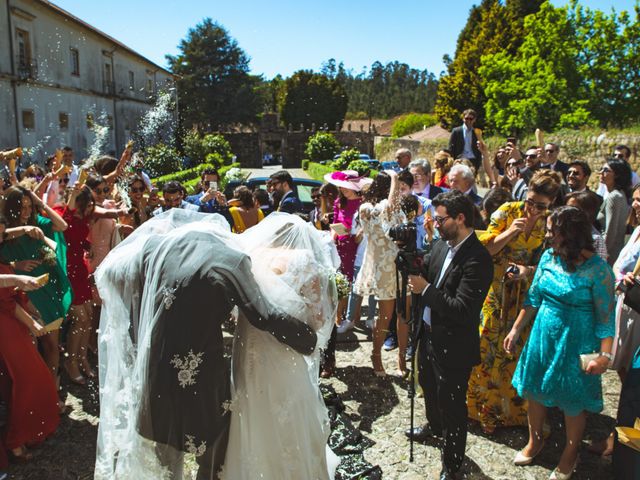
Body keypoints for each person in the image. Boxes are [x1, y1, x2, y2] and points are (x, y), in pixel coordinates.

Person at [94, 210, 318, 479]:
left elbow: (112, 273)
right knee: (214, 451)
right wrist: (308, 339)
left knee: (165, 454)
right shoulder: (231, 260)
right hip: (199, 379)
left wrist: (136, 327)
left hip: (154, 369)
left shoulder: (155, 246)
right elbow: (264, 315)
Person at [224, 213, 340, 479]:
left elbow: (236, 311)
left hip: (247, 351)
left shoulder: (250, 255)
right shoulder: (302, 260)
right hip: (282, 353)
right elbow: (319, 317)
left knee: (252, 408)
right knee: (288, 410)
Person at [505, 207, 615, 480]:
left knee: (572, 402)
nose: (547, 235)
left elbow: (606, 320)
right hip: (543, 335)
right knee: (534, 390)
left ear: (571, 235)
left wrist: (604, 356)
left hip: (576, 343)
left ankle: (570, 454)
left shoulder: (599, 271)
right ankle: (535, 440)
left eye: (553, 231)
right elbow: (533, 298)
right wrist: (516, 330)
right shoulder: (547, 257)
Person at [406, 190, 493, 480]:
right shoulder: (443, 245)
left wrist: (425, 289)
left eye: (441, 219)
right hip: (429, 335)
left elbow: (462, 309)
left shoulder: (478, 259)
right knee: (428, 385)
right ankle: (433, 426)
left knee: (453, 406)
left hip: (454, 345)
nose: (436, 224)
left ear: (460, 218)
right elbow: (426, 268)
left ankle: (452, 463)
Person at [466, 170, 561, 434]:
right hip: (496, 291)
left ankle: (512, 413)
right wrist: (509, 232)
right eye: (529, 201)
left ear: (551, 203)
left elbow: (551, 263)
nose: (532, 208)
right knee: (486, 348)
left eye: (540, 205)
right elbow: (485, 249)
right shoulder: (508, 211)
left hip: (526, 296)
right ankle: (481, 411)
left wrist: (527, 271)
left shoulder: (550, 223)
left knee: (516, 352)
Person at [0, 229, 60, 464]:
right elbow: (5, 302)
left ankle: (25, 434)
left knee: (15, 381)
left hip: (12, 323)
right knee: (31, 379)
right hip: (5, 327)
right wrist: (17, 279)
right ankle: (16, 440)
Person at [0, 186, 72, 381]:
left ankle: (52, 391)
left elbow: (62, 226)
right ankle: (33, 393)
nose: (26, 212)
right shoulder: (4, 230)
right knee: (30, 346)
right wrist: (16, 264)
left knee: (51, 344)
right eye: (21, 207)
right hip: (21, 295)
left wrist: (40, 204)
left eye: (28, 206)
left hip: (45, 289)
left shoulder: (36, 223)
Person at [354, 171, 407, 376]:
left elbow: (398, 220)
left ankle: (401, 359)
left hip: (401, 263)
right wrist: (395, 178)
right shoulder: (367, 208)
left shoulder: (394, 206)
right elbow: (389, 209)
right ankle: (376, 354)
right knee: (385, 315)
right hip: (383, 266)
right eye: (397, 187)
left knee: (404, 315)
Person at [322, 170, 371, 377]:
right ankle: (338, 316)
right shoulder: (339, 202)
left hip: (352, 247)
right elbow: (336, 222)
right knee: (335, 279)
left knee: (346, 282)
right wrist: (333, 232)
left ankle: (342, 316)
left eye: (345, 187)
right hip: (337, 244)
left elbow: (361, 231)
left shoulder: (361, 205)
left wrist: (353, 234)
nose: (341, 189)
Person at [597, 157, 632, 265]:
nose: (601, 172)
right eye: (601, 169)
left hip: (609, 255)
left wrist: (601, 257)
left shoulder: (614, 197)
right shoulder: (619, 194)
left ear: (616, 175)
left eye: (606, 170)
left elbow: (611, 231)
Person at [565, 191, 607, 261]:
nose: (567, 212)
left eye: (573, 209)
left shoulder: (595, 239)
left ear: (588, 212)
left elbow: (601, 266)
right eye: (566, 208)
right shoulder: (560, 231)